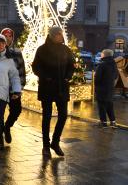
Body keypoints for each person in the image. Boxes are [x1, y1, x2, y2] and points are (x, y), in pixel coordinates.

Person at [32, 26, 75, 158]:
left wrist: (68, 77)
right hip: (47, 87)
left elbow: (71, 65)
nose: (60, 36)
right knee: (46, 117)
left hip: (62, 87)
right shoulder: (42, 49)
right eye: (58, 34)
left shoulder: (65, 49)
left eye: (61, 34)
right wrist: (46, 77)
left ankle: (55, 142)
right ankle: (46, 146)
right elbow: (35, 67)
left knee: (63, 115)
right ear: (52, 35)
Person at [0, 28, 26, 147]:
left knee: (16, 110)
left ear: (12, 38)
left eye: (9, 36)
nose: (7, 38)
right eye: (5, 36)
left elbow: (22, 70)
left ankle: (7, 127)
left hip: (13, 89)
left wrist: (20, 88)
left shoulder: (17, 52)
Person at [94, 49, 118, 128]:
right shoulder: (114, 64)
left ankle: (103, 122)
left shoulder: (102, 65)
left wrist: (96, 85)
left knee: (102, 106)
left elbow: (97, 78)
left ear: (104, 55)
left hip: (101, 89)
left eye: (101, 54)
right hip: (110, 88)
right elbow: (115, 76)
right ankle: (113, 122)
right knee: (109, 105)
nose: (101, 55)